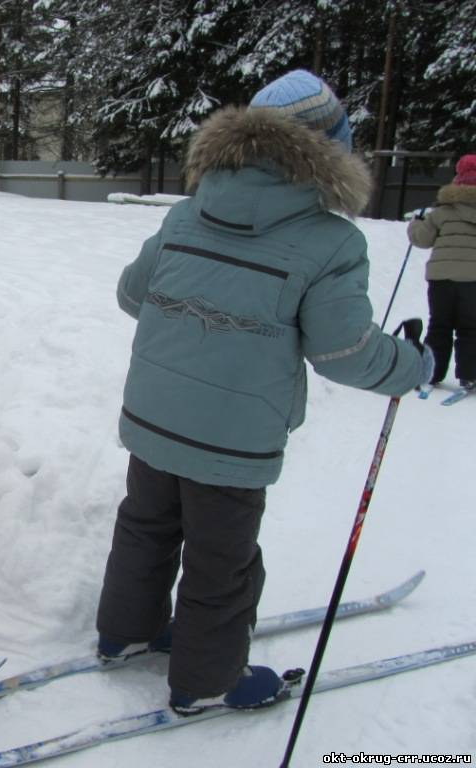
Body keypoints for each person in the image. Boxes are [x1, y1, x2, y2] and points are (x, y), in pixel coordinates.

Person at [96, 70, 432, 716]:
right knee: (221, 558)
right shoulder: (330, 242)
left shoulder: (187, 213)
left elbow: (133, 294)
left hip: (154, 417)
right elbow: (345, 353)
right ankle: (207, 681)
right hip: (233, 436)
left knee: (146, 525)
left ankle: (124, 633)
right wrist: (411, 365)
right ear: (328, 151)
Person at [407, 153, 476, 391]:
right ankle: (470, 375)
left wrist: (415, 224)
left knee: (439, 325)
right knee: (471, 328)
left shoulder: (442, 212)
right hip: (473, 280)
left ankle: (431, 373)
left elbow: (422, 239)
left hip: (441, 278)